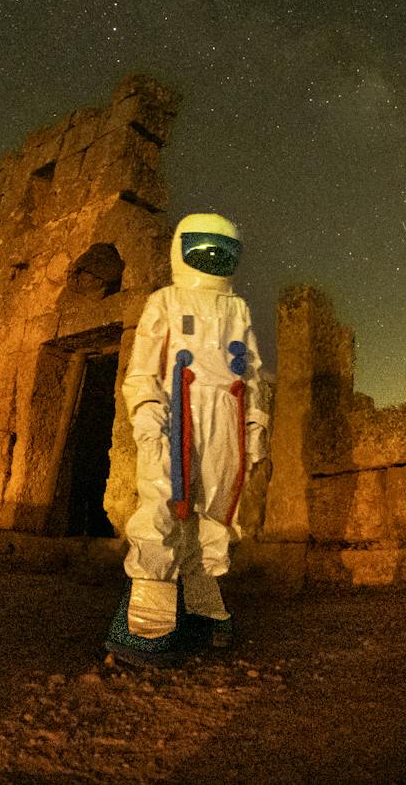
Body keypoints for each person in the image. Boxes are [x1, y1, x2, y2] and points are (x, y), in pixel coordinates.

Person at [105, 212, 271, 666]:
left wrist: (256, 426)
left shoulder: (238, 308)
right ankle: (146, 627)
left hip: (228, 415)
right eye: (204, 249)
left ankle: (204, 612)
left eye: (222, 250)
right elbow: (143, 370)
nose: (213, 257)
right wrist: (147, 418)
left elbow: (253, 372)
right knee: (163, 505)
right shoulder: (164, 301)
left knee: (215, 511)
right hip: (178, 412)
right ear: (182, 250)